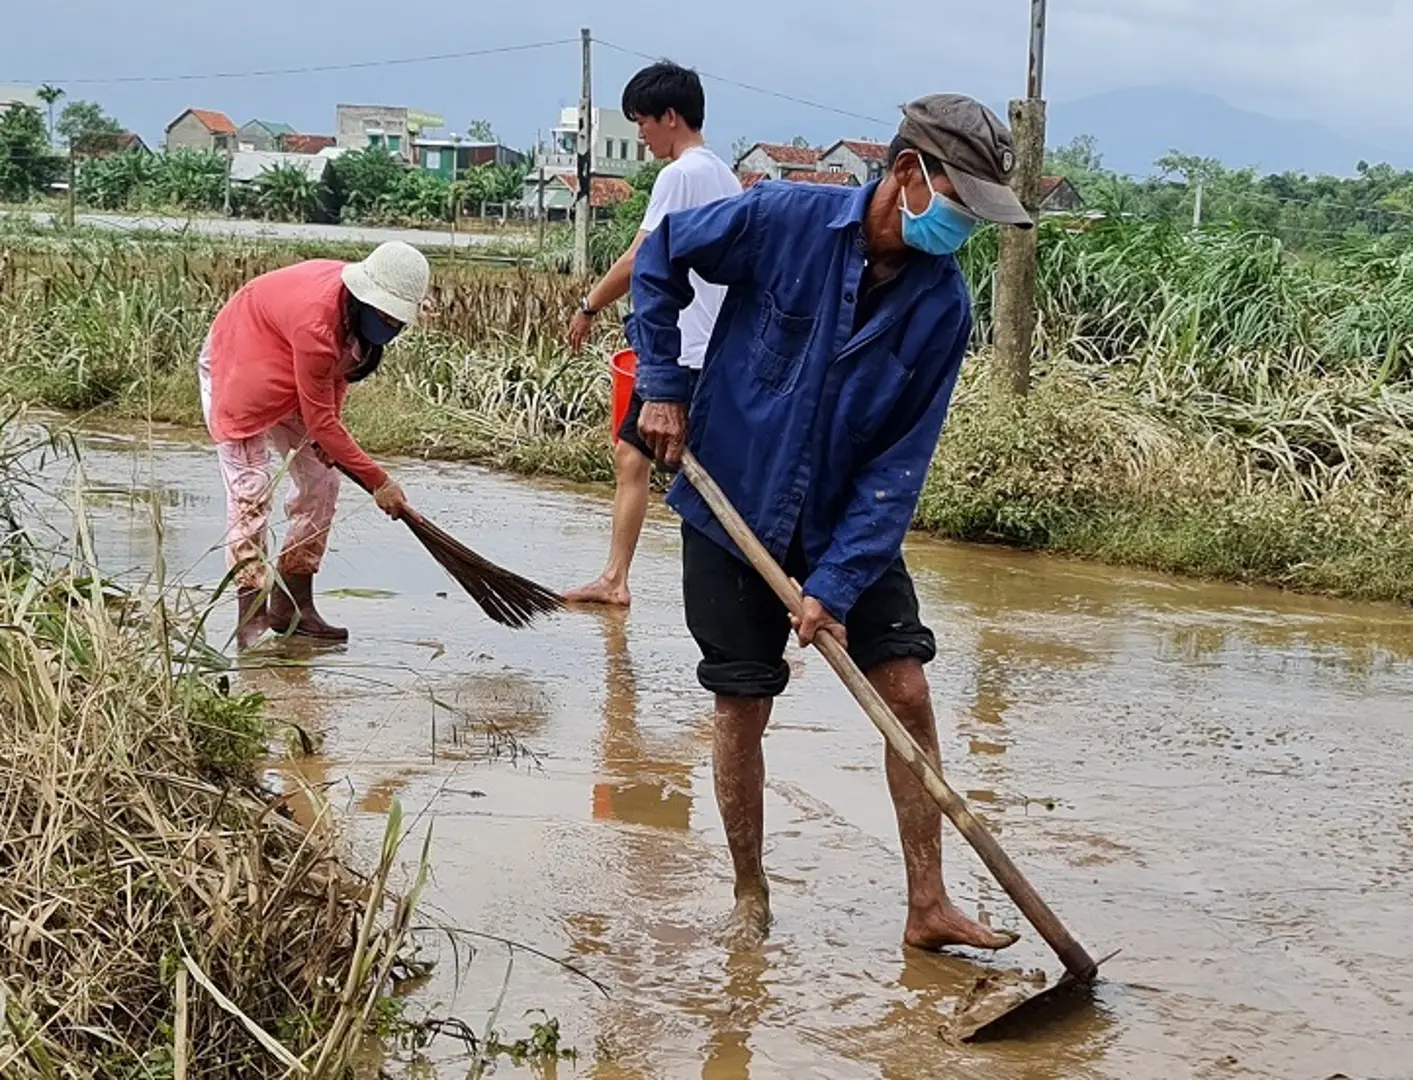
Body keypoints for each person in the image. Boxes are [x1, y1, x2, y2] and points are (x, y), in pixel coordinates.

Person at [631, 94, 1033, 949]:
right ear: (906, 175)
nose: (961, 227)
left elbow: (900, 462)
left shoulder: (941, 306)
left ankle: (927, 904)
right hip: (732, 504)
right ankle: (750, 895)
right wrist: (662, 385)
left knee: (908, 693)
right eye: (958, 203)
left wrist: (838, 582)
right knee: (742, 706)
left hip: (849, 519)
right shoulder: (781, 218)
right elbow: (660, 257)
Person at [562, 60, 742, 607]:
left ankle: (621, 580)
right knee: (633, 454)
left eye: (643, 121)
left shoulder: (680, 176)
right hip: (710, 348)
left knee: (678, 469)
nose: (639, 135)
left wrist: (589, 303)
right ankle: (615, 577)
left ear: (671, 116)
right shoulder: (726, 176)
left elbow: (644, 257)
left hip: (679, 350)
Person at [199, 241, 428, 649]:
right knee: (250, 492)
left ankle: (293, 603)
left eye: (397, 320)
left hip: (294, 364)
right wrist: (379, 481)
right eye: (385, 315)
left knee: (322, 481)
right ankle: (249, 615)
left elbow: (335, 379)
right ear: (363, 298)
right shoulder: (317, 323)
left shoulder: (352, 319)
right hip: (240, 357)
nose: (390, 325)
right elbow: (320, 417)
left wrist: (331, 439)